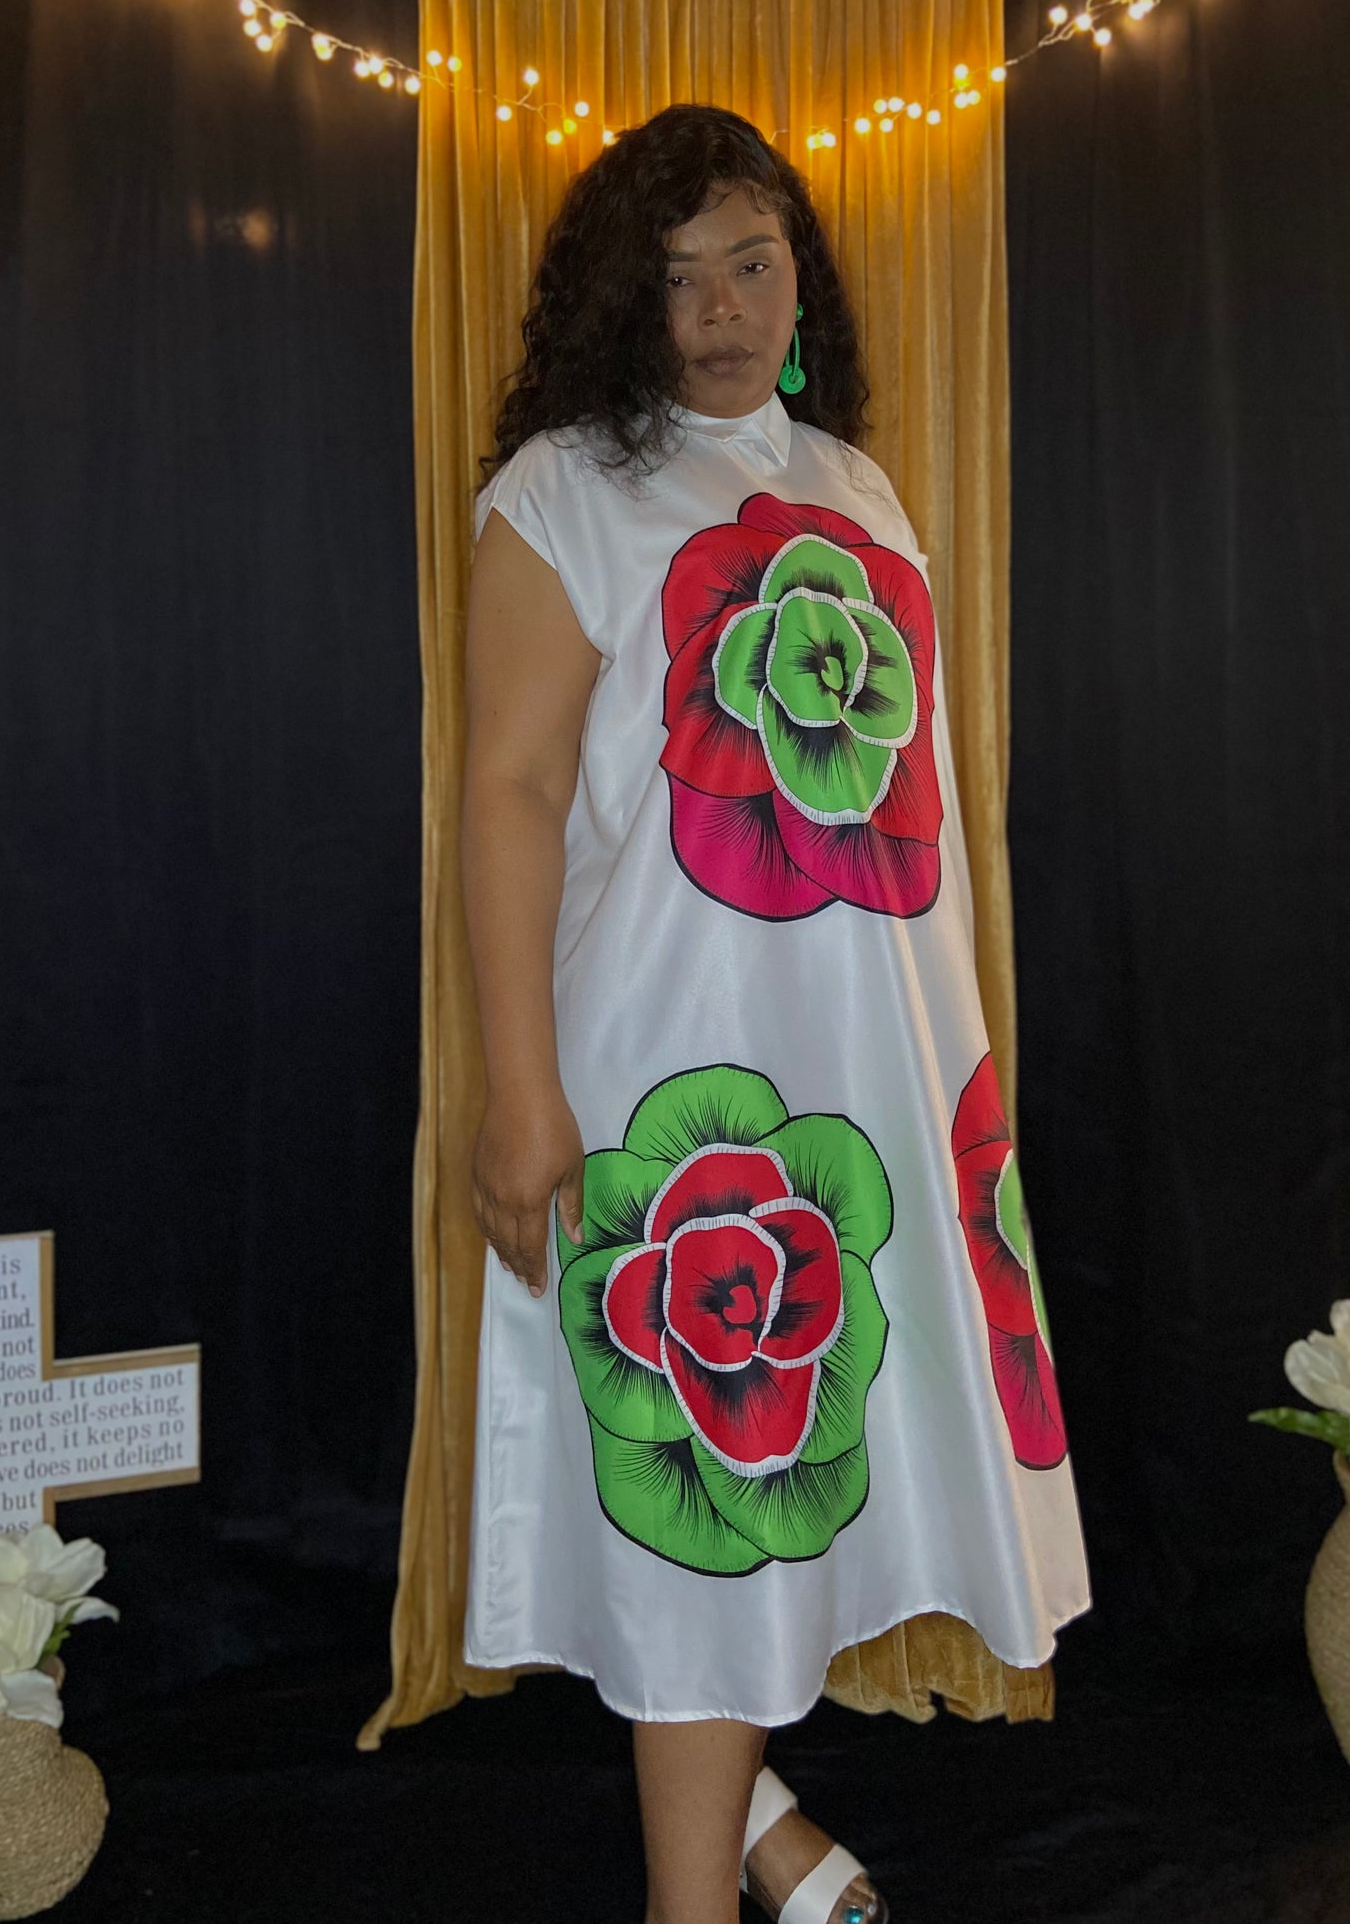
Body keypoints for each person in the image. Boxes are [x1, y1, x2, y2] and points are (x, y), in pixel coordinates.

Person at [460, 102, 1092, 1924]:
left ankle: (755, 1819)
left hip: (861, 1074)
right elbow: (504, 796)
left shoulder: (857, 486)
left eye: (752, 260)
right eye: (676, 276)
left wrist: (941, 1072)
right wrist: (519, 1090)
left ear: (798, 282)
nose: (722, 305)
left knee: (791, 1482)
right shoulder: (562, 491)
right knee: (705, 1503)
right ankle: (696, 1893)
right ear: (619, 302)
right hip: (668, 1077)